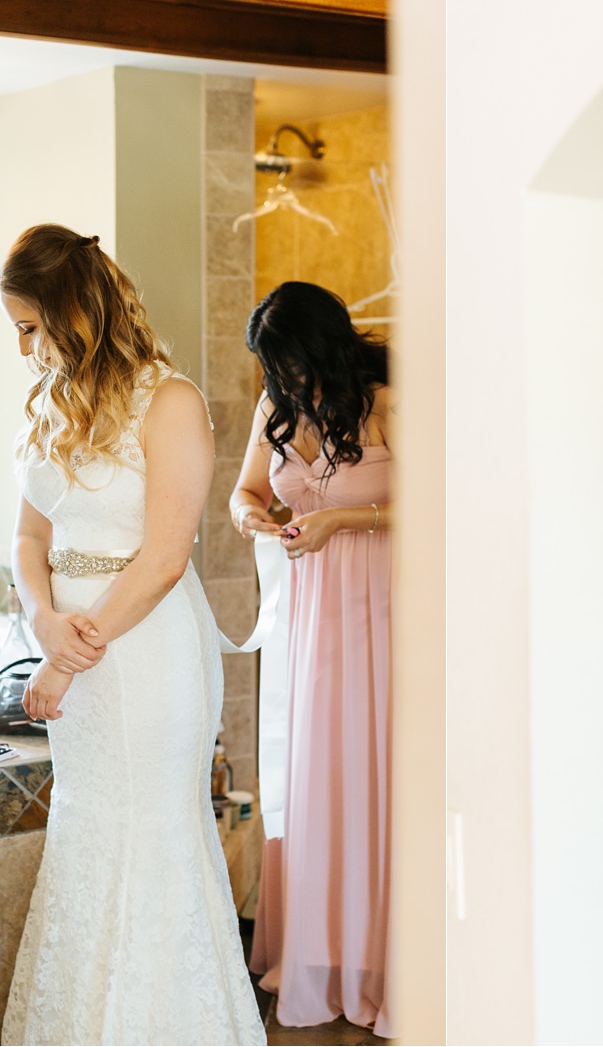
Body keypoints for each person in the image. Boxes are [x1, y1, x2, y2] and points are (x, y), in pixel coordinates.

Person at [0, 224, 264, 1045]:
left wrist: (71, 653)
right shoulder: (48, 405)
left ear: (74, 312)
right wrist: (45, 620)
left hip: (148, 658)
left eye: (31, 328)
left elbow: (164, 553)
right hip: (73, 650)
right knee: (88, 825)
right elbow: (27, 540)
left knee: (150, 829)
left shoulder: (169, 400)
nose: (25, 350)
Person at [229, 281, 393, 1035]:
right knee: (317, 769)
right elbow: (242, 493)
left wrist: (343, 521)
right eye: (274, 369)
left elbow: (442, 499)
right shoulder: (275, 411)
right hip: (312, 612)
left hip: (385, 607)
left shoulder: (385, 399)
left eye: (292, 363)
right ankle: (323, 953)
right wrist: (257, 517)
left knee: (376, 773)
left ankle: (384, 957)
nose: (286, 381)